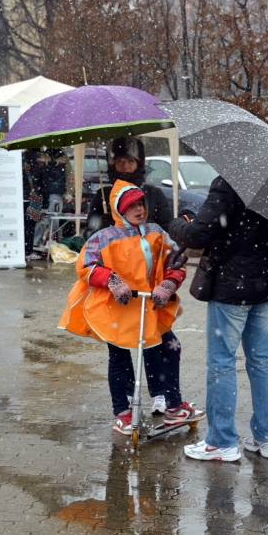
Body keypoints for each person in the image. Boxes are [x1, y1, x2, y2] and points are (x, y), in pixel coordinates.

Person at [59, 180, 205, 436]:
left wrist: (170, 283)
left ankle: (173, 407)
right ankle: (123, 414)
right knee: (119, 358)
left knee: (171, 348)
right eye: (131, 206)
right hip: (118, 311)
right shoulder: (103, 238)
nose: (139, 209)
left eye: (141, 204)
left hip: (150, 308)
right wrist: (112, 281)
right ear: (118, 210)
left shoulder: (156, 233)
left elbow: (176, 261)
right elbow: (86, 266)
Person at [168, 176, 268, 462]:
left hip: (234, 287)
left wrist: (176, 224)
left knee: (221, 362)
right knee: (261, 360)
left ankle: (221, 442)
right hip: (267, 284)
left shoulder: (230, 182)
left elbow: (197, 235)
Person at [84, 137, 173, 415]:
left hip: (148, 283)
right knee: (119, 347)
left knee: (154, 341)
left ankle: (159, 393)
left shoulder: (154, 194)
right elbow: (90, 240)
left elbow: (167, 232)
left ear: (139, 162)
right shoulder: (103, 193)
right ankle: (125, 400)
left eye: (130, 160)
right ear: (112, 163)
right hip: (117, 287)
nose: (125, 165)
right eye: (120, 160)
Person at [22, 149, 46, 261]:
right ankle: (28, 251)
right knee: (30, 227)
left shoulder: (21, 162)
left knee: (23, 227)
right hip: (32, 200)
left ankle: (21, 250)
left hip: (21, 199)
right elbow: (42, 183)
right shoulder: (37, 165)